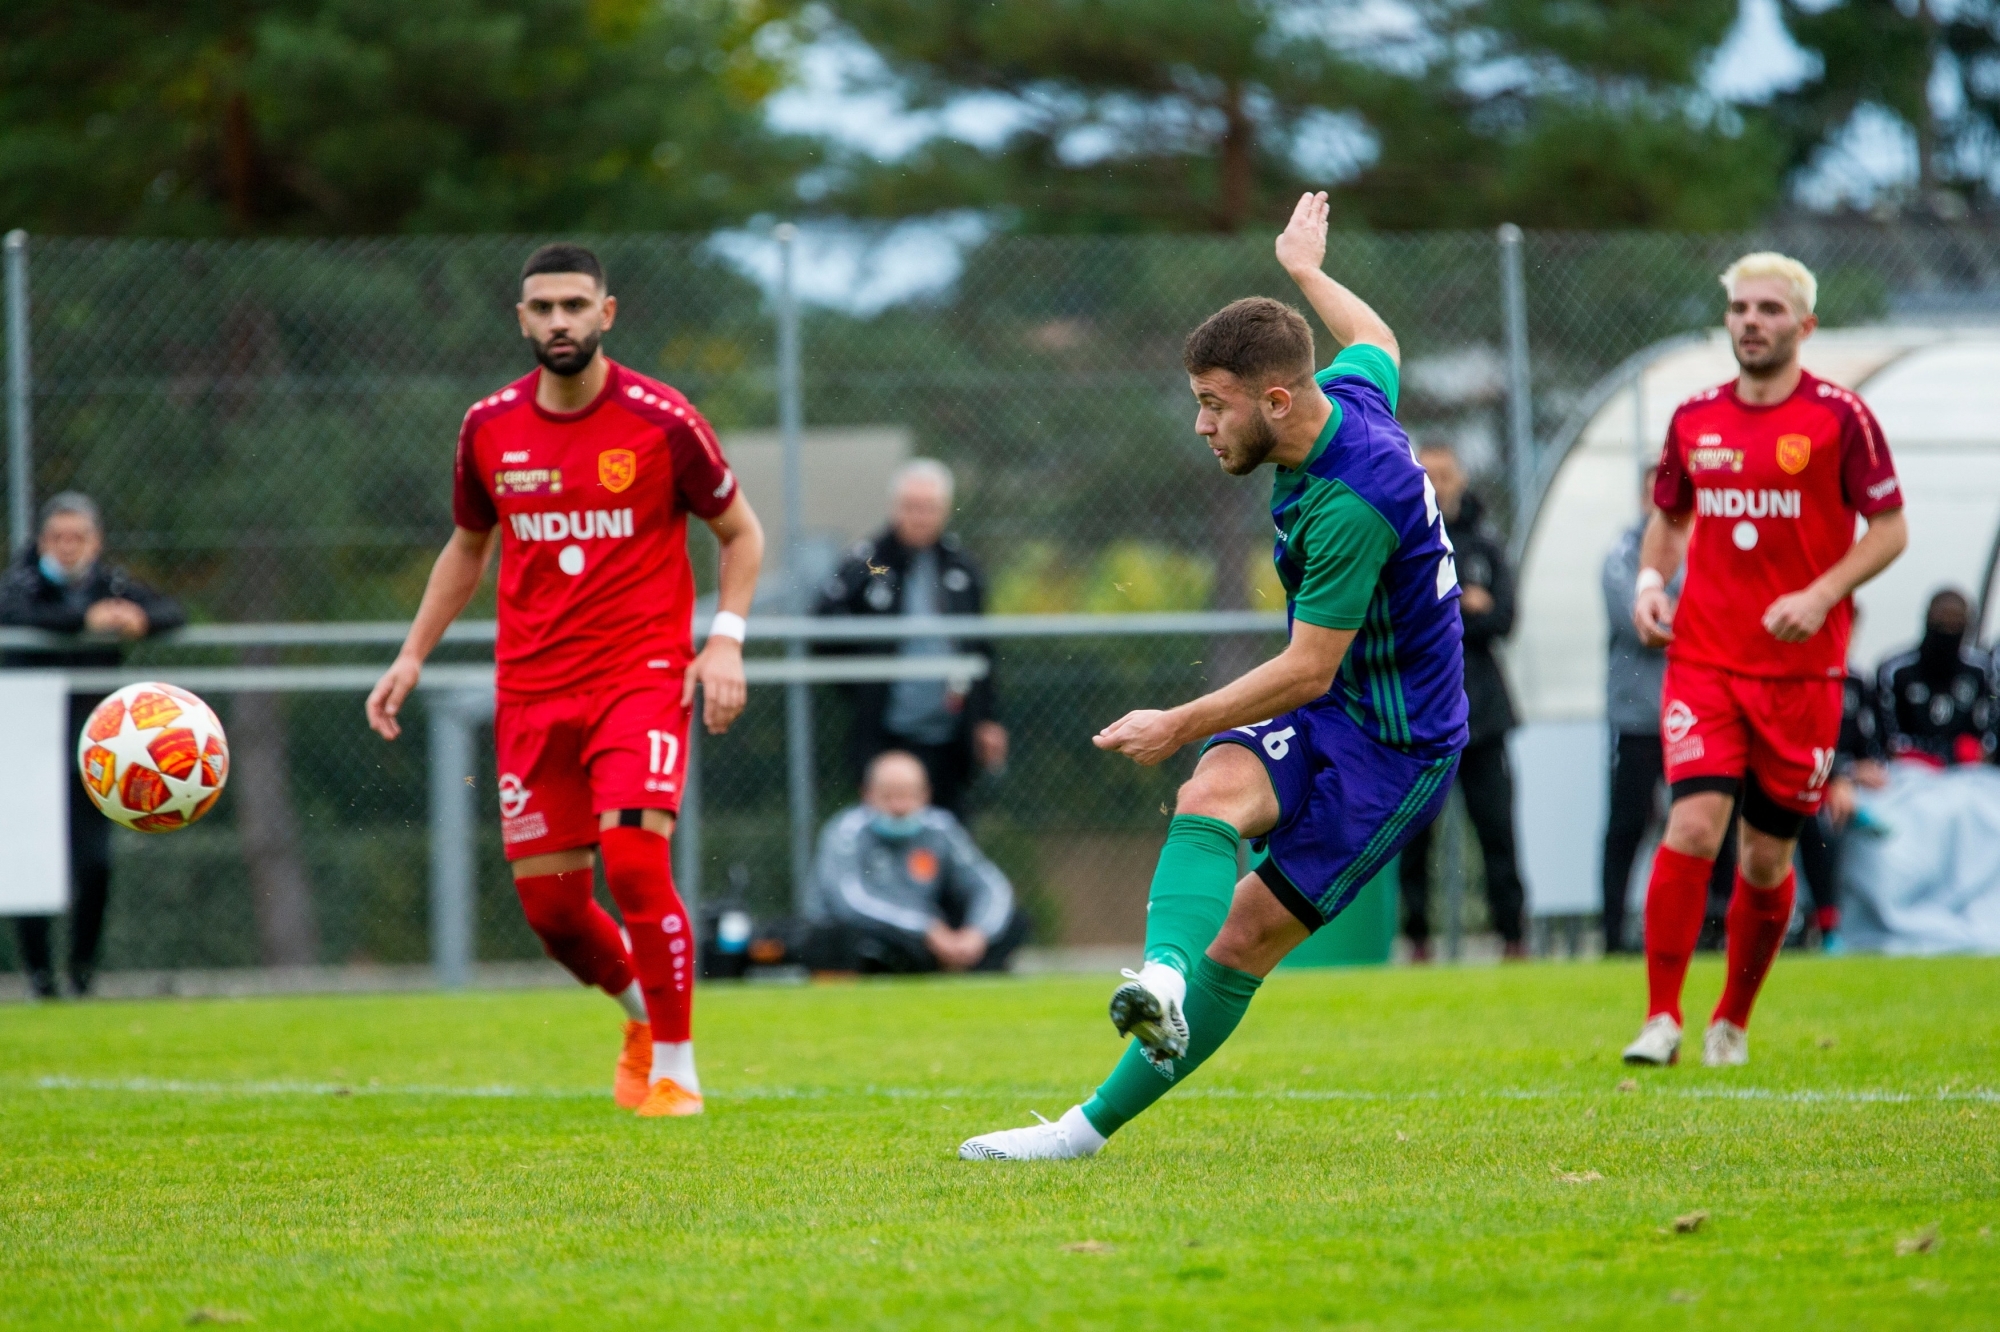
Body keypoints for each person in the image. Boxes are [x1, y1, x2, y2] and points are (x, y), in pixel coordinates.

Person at [959, 192, 1466, 1161]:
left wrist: (1177, 717)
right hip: (1338, 711)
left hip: (1394, 751)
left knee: (1240, 939)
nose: (1199, 425)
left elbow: (1309, 670)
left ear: (1275, 402)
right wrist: (1304, 271)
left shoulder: (1354, 501)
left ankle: (1080, 1133)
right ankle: (1160, 986)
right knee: (1209, 797)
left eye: (1211, 403)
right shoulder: (1345, 397)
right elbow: (1377, 336)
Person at [366, 243, 764, 1118]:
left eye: (574, 306)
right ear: (521, 319)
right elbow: (468, 548)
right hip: (534, 692)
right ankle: (636, 1021)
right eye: (542, 308)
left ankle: (677, 1071)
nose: (558, 322)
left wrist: (724, 640)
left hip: (642, 675)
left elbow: (742, 533)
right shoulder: (488, 427)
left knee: (632, 859)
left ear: (606, 314)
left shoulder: (662, 420)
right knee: (552, 911)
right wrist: (412, 653)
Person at [1624, 251, 1905, 1070]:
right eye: (1741, 309)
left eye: (1770, 311)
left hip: (1802, 673)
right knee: (1693, 822)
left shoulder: (1840, 418)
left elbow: (1890, 531)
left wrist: (1821, 595)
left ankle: (1732, 1020)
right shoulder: (1694, 418)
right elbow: (1670, 517)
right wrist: (1650, 581)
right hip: (1705, 660)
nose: (1752, 321)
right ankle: (1661, 1018)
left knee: (1765, 854)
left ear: (1803, 326)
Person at [1, 492, 185, 998]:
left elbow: (173, 611)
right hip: (28, 739)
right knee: (32, 860)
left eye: (77, 537)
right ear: (41, 541)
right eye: (57, 537)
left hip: (98, 745)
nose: (67, 547)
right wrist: (84, 622)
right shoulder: (22, 583)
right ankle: (40, 976)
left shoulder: (111, 585)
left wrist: (140, 621)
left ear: (95, 542)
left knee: (95, 861)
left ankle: (83, 972)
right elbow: (15, 614)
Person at [814, 460, 1005, 817]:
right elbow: (824, 632)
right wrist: (863, 686)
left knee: (949, 838)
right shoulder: (867, 562)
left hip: (951, 739)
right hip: (887, 737)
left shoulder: (961, 567)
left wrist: (987, 718)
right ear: (895, 508)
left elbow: (981, 648)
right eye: (912, 507)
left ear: (945, 511)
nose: (921, 516)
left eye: (930, 508)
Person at [1397, 445, 1525, 959]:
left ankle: (1513, 939)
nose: (1438, 482)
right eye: (1428, 473)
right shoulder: (1401, 541)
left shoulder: (1485, 546)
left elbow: (1505, 620)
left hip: (1484, 715)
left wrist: (1448, 612)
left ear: (1461, 479)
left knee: (1497, 831)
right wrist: (1462, 602)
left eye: (1445, 474)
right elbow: (1406, 624)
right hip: (1421, 717)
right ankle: (1417, 942)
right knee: (1412, 838)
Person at [800, 750, 1025, 973]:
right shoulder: (845, 832)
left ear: (925, 794)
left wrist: (977, 932)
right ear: (867, 794)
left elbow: (989, 884)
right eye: (888, 796)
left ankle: (957, 964)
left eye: (907, 795)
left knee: (1014, 923)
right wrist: (924, 928)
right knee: (873, 943)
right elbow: (850, 902)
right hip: (876, 932)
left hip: (931, 935)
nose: (899, 807)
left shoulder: (940, 828)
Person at [1874, 589, 1998, 768]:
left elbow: (1990, 733)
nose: (1949, 632)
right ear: (1927, 620)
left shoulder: (1983, 671)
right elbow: (1886, 738)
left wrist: (1972, 751)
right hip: (1908, 772)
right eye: (1941, 624)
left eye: (1956, 624)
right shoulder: (1896, 671)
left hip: (1968, 774)